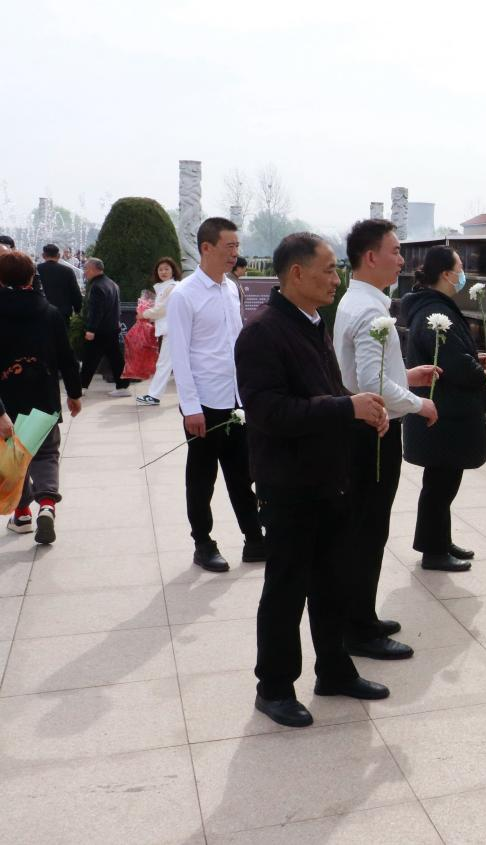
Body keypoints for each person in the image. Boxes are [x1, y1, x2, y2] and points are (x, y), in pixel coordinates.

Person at [237, 231, 392, 728]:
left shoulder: (312, 323)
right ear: (296, 273)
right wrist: (346, 408)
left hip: (329, 478)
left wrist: (362, 413)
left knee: (332, 581)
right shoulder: (261, 333)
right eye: (327, 270)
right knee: (287, 588)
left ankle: (335, 670)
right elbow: (268, 411)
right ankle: (274, 687)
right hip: (289, 485)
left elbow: (327, 391)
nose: (336, 279)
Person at [333, 219, 440, 660]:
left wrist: (406, 376)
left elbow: (372, 371)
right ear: (370, 256)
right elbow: (370, 381)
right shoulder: (369, 311)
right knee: (368, 529)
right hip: (372, 431)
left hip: (363, 427)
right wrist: (420, 404)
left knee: (366, 527)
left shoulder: (359, 301)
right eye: (395, 251)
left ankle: (361, 616)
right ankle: (358, 630)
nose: (401, 260)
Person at [165, 217, 265, 572]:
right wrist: (191, 407)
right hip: (204, 403)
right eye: (229, 246)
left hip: (235, 398)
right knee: (202, 477)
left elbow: (236, 344)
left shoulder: (231, 289)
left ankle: (254, 539)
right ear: (206, 248)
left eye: (237, 246)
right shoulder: (184, 295)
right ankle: (203, 543)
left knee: (243, 473)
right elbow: (179, 355)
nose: (235, 253)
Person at [401, 245, 486, 573]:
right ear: (445, 274)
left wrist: (473, 357)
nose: (462, 274)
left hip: (444, 413)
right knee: (440, 486)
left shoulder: (432, 306)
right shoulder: (434, 313)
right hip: (443, 416)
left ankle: (439, 540)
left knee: (442, 483)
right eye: (459, 269)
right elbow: (455, 365)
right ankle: (434, 551)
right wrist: (483, 375)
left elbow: (450, 353)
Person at [0, 250, 83, 544]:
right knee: (46, 454)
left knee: (14, 456)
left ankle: (22, 513)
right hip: (44, 396)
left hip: (7, 401)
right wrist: (74, 394)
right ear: (31, 277)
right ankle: (47, 504)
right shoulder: (49, 312)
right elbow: (67, 358)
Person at [79, 258, 130, 397]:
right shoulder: (112, 284)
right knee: (115, 358)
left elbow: (96, 311)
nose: (85, 272)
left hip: (100, 330)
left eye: (86, 269)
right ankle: (123, 387)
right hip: (112, 328)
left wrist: (91, 329)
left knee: (90, 358)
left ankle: (81, 387)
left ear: (94, 269)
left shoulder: (96, 286)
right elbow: (116, 307)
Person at [135, 257, 181, 405]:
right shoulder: (165, 287)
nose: (163, 272)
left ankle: (154, 396)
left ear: (173, 271)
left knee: (164, 364)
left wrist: (144, 314)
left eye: (167, 269)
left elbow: (162, 309)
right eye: (160, 269)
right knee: (180, 365)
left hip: (174, 331)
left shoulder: (171, 287)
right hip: (174, 330)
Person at [37, 244, 82, 326]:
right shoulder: (67, 271)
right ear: (58, 256)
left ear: (43, 255)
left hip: (41, 311)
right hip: (62, 313)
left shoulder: (37, 269)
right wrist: (78, 310)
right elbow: (75, 292)